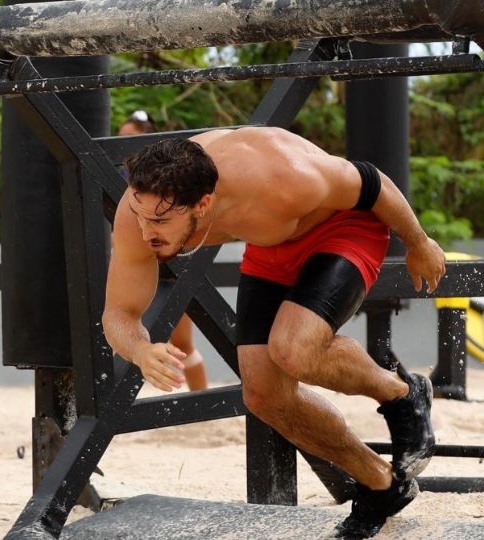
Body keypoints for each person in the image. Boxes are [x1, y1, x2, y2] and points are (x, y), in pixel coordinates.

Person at [102, 127, 445, 538]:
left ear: (205, 202)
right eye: (141, 217)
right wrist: (139, 351)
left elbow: (372, 182)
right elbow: (119, 312)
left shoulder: (281, 174)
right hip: (270, 246)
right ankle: (381, 483)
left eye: (159, 221)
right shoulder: (141, 210)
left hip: (342, 229)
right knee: (263, 395)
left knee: (294, 350)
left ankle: (402, 393)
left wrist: (418, 242)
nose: (146, 232)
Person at [118, 111, 207, 391]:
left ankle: (200, 400)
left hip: (173, 260)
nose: (123, 143)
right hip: (137, 260)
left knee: (182, 342)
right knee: (123, 326)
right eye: (120, 138)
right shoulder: (122, 177)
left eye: (130, 138)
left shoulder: (173, 178)